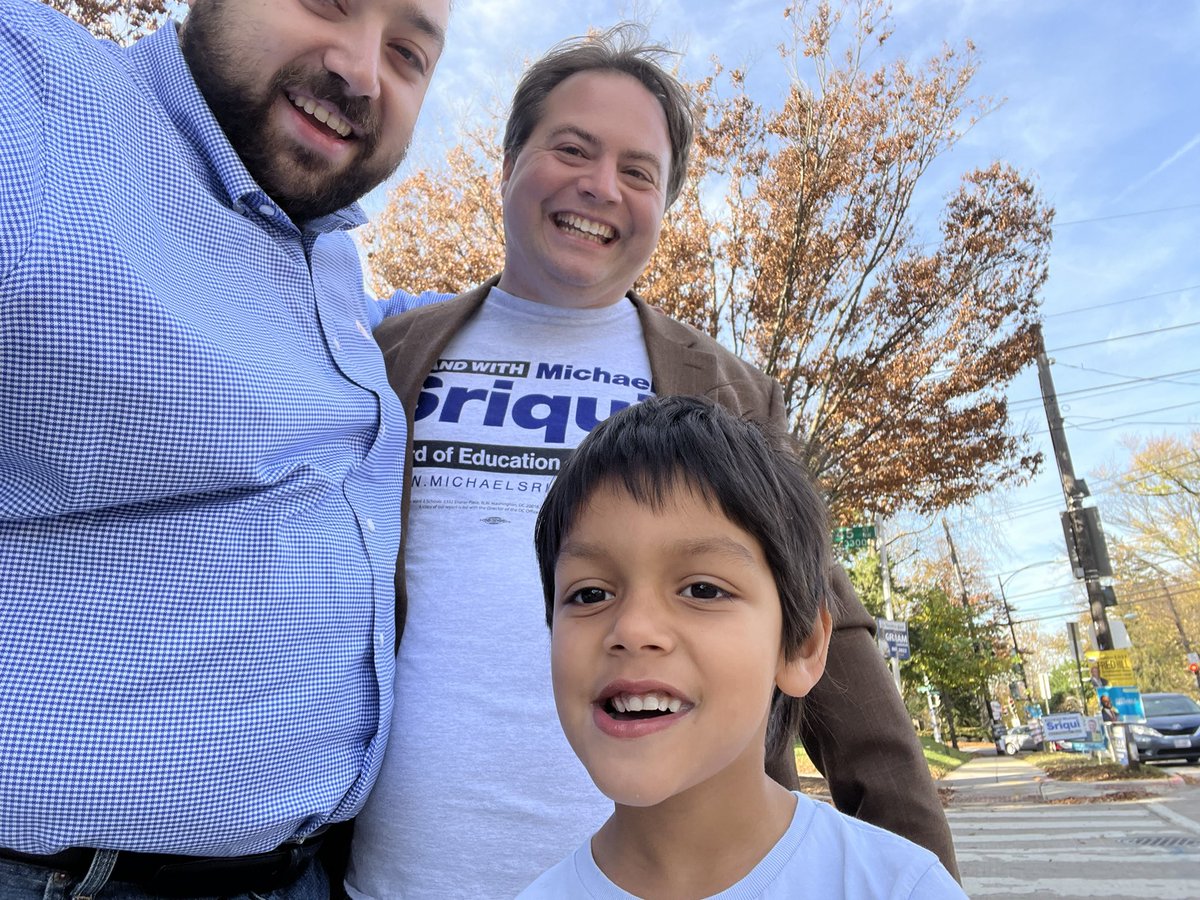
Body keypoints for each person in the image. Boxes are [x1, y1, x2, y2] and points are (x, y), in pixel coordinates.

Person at [350, 25, 957, 899]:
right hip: (405, 878)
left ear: (664, 204)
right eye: (572, 149)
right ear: (510, 161)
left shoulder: (725, 388)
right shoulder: (386, 355)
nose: (602, 187)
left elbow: (817, 612)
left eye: (640, 171)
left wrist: (911, 853)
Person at [0, 0, 449, 897]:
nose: (363, 71)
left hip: (304, 873)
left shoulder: (328, 267)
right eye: (329, 1)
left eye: (408, 53)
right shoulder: (42, 101)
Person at [519, 395, 966, 899]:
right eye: (591, 594)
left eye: (703, 590)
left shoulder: (897, 887)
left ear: (801, 645)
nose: (633, 628)